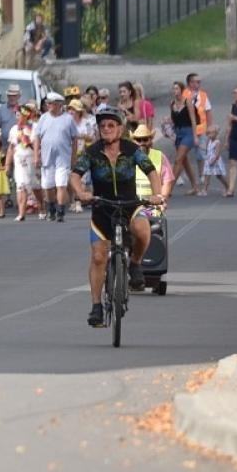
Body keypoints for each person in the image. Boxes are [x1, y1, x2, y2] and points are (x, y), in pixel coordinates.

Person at [71, 108, 164, 328]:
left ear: (120, 129)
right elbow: (75, 175)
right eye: (102, 126)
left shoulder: (132, 150)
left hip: (129, 205)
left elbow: (151, 171)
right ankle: (96, 307)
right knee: (98, 258)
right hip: (102, 208)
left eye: (111, 126)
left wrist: (156, 194)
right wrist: (81, 193)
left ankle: (135, 264)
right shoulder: (92, 152)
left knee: (142, 230)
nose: (106, 130)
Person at [35, 92, 77, 222]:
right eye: (47, 103)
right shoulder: (43, 118)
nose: (48, 105)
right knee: (48, 186)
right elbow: (37, 137)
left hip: (63, 158)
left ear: (59, 105)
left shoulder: (68, 119)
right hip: (47, 158)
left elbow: (74, 139)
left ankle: (60, 211)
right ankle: (51, 208)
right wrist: (36, 155)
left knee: (61, 184)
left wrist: (73, 157)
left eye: (51, 103)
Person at [7, 103, 43, 222]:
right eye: (16, 115)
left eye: (20, 115)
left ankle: (42, 208)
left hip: (32, 159)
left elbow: (37, 143)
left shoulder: (35, 127)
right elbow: (11, 147)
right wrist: (8, 164)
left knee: (35, 186)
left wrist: (37, 157)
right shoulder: (14, 129)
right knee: (21, 185)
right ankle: (21, 213)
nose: (17, 117)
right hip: (19, 160)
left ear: (26, 116)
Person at [169, 80, 199, 194]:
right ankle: (194, 186)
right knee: (184, 161)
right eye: (173, 88)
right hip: (178, 133)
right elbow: (173, 120)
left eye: (176, 88)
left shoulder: (187, 102)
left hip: (188, 132)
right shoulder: (172, 103)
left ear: (182, 90)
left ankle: (168, 188)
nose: (174, 91)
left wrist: (195, 136)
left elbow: (193, 119)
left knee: (178, 160)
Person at [199, 127, 226, 195]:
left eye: (211, 133)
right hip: (208, 160)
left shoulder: (217, 142)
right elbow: (208, 150)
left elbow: (217, 153)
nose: (209, 135)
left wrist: (213, 160)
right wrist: (200, 147)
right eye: (208, 133)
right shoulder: (209, 141)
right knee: (207, 175)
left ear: (216, 134)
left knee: (219, 175)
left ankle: (227, 187)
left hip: (215, 161)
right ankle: (204, 190)